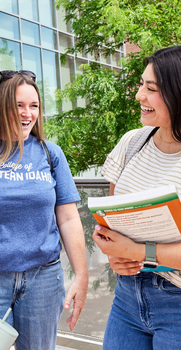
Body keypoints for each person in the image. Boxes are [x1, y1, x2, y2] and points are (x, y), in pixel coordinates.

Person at [0, 70, 89, 350]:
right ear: (1, 108)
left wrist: (81, 276)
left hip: (44, 281)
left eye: (34, 106)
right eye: (19, 106)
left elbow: (69, 218)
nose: (27, 114)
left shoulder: (52, 154)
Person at [93, 46, 181, 350]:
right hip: (127, 297)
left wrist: (137, 250)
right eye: (142, 84)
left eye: (151, 88)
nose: (139, 95)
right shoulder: (132, 141)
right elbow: (111, 220)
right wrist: (111, 249)